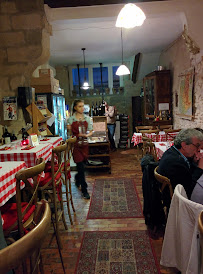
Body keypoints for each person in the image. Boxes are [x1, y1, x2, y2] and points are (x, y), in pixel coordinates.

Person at [158, 128, 203, 199]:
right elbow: (188, 191)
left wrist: (194, 162)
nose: (198, 149)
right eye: (197, 146)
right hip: (177, 202)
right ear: (184, 145)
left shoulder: (174, 151)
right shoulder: (175, 163)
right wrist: (200, 168)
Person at [67, 99, 93, 199]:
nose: (82, 108)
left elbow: (91, 131)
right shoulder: (70, 120)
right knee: (81, 166)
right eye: (80, 106)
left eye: (83, 106)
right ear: (75, 107)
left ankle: (77, 178)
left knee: (83, 165)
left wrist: (86, 135)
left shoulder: (87, 119)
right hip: (76, 145)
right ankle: (85, 190)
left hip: (85, 145)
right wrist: (72, 135)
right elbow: (69, 134)